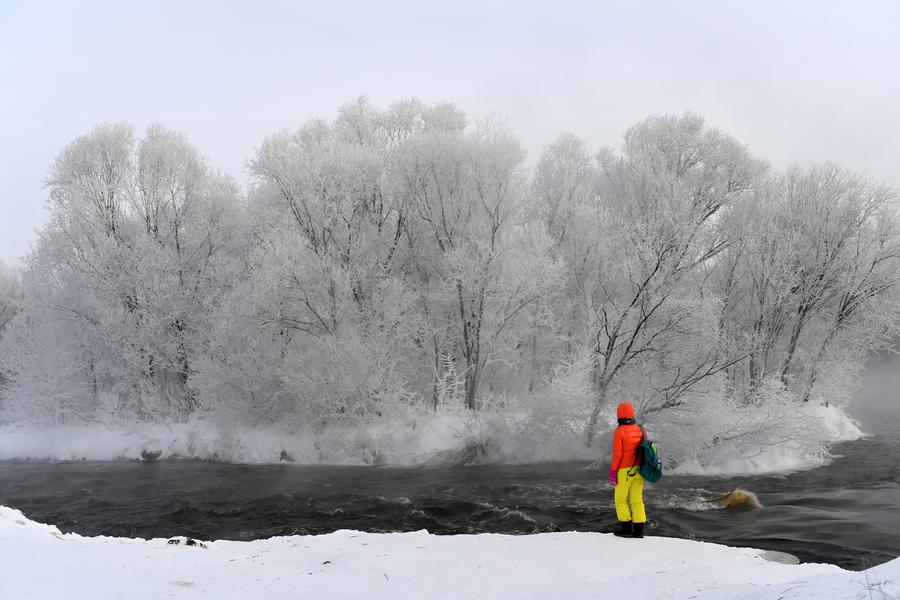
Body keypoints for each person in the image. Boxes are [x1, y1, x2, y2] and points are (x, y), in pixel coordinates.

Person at [609, 401, 646, 538]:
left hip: (625, 470)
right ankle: (639, 531)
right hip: (640, 470)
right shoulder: (640, 429)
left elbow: (617, 454)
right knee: (637, 500)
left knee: (621, 499)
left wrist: (613, 472)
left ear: (619, 415)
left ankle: (626, 529)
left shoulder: (619, 431)